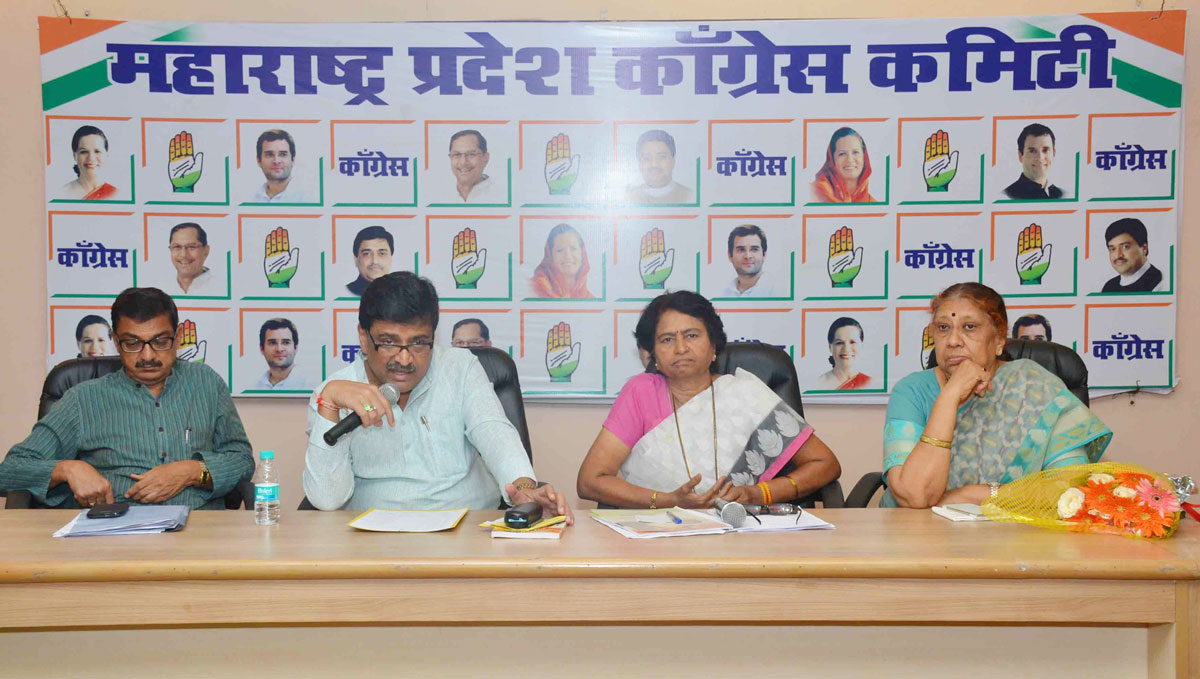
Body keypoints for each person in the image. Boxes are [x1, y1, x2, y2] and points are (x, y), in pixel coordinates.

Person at [302, 272, 572, 521]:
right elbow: (327, 500)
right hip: (372, 543)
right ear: (363, 337)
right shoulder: (333, 395)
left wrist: (524, 488)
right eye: (389, 343)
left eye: (419, 343)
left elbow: (494, 433)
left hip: (466, 532)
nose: (405, 359)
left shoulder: (459, 368)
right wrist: (329, 405)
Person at [577, 291, 841, 509]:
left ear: (714, 346)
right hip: (660, 533)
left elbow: (825, 464)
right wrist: (670, 500)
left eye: (692, 335)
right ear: (653, 354)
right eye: (667, 339)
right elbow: (590, 481)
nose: (681, 348)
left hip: (743, 529)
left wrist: (757, 494)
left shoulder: (745, 394)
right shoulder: (640, 393)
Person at [0, 288, 253, 508]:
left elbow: (242, 459)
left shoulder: (206, 383)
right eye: (132, 343)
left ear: (176, 339)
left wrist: (194, 472)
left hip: (201, 528)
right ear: (115, 341)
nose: (147, 356)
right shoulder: (83, 400)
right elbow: (9, 471)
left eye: (160, 341)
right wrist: (67, 469)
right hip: (116, 532)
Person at [881, 282, 1111, 509]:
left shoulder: (1035, 386)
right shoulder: (911, 391)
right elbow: (915, 496)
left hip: (1015, 535)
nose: (952, 341)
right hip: (918, 536)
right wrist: (949, 396)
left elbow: (1068, 488)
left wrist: (972, 495)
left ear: (999, 339)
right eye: (943, 328)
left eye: (969, 327)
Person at [624, 129, 695, 204]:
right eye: (647, 158)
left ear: (673, 161)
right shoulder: (629, 197)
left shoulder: (689, 195)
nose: (654, 164)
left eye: (661, 157)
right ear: (639, 164)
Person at [810, 127, 875, 203]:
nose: (850, 159)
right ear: (832, 159)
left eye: (855, 152)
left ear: (864, 157)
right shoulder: (813, 194)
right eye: (842, 154)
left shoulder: (873, 204)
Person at [529, 223, 594, 299]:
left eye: (573, 249)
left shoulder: (591, 300)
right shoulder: (534, 289)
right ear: (550, 255)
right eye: (560, 250)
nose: (568, 256)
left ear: (582, 254)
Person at [1002, 123, 1065, 200]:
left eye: (1045, 150)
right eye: (1032, 151)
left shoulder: (1061, 194)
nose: (1040, 158)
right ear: (1020, 156)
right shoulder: (1007, 196)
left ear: (1054, 153)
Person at [250, 129, 314, 203]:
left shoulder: (308, 198)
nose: (276, 161)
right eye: (269, 154)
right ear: (258, 161)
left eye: (283, 154)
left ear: (293, 159)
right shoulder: (251, 198)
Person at [1102, 217, 1163, 293]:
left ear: (1144, 248)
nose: (1118, 255)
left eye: (1125, 247)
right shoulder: (1109, 288)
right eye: (1113, 249)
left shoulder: (1160, 285)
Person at [252, 318, 316, 390]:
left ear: (295, 348)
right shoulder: (254, 386)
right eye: (272, 343)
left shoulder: (311, 385)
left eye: (285, 342)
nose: (279, 349)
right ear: (262, 348)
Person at [61, 125, 118, 200]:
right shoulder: (62, 193)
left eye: (97, 151)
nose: (91, 158)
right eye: (84, 152)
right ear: (75, 155)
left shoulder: (115, 194)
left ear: (106, 154)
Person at [448, 129, 504, 204]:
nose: (463, 162)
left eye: (471, 154)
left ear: (485, 158)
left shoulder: (502, 195)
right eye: (457, 154)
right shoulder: (441, 195)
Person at [816, 317, 873, 390]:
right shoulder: (819, 384)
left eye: (852, 342)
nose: (846, 349)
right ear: (830, 346)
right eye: (839, 343)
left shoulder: (870, 383)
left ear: (861, 345)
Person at [721, 224, 775, 297]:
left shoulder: (778, 290)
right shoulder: (724, 293)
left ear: (764, 255)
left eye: (754, 249)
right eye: (741, 249)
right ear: (730, 255)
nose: (748, 256)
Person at [166, 222, 218, 296]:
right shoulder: (162, 288)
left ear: (206, 250)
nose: (183, 255)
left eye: (191, 247)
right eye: (177, 247)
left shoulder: (220, 287)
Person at [346, 225, 394, 296]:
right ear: (356, 259)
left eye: (382, 253)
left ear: (390, 258)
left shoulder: (401, 293)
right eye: (367, 254)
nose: (375, 261)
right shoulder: (347, 291)